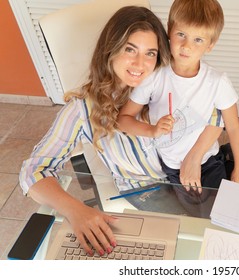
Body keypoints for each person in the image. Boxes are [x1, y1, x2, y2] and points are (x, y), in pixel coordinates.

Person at [19, 6, 172, 257]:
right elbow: (33, 171)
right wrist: (74, 209)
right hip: (150, 197)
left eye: (150, 53)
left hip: (194, 182)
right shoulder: (82, 109)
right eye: (130, 49)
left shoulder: (169, 87)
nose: (140, 64)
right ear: (110, 49)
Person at [118, 0, 239, 190]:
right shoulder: (154, 76)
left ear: (210, 44)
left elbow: (233, 128)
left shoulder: (218, 82)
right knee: (190, 214)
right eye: (181, 34)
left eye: (198, 40)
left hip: (208, 161)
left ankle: (226, 164)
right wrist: (153, 130)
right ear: (169, 30)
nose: (186, 46)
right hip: (171, 166)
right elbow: (123, 119)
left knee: (219, 211)